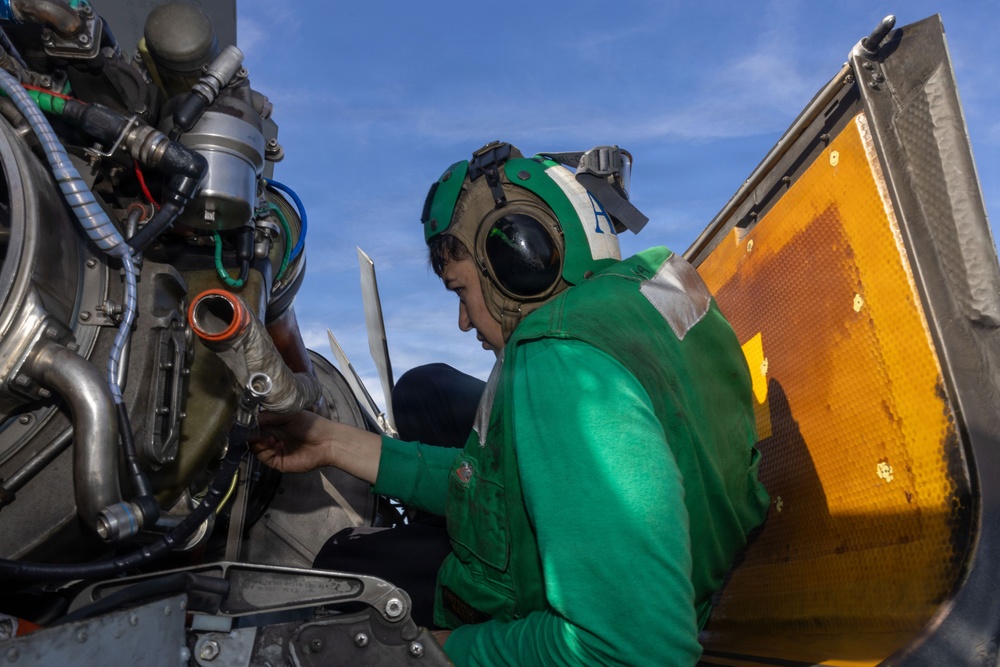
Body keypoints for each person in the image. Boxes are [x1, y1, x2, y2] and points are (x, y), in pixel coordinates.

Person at [251, 141, 770, 665]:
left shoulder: (560, 363)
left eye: (460, 291)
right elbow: (490, 484)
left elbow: (635, 650)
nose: (462, 321)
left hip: (594, 610)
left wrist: (443, 650)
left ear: (516, 262)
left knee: (336, 569)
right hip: (689, 567)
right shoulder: (646, 293)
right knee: (423, 392)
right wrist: (329, 441)